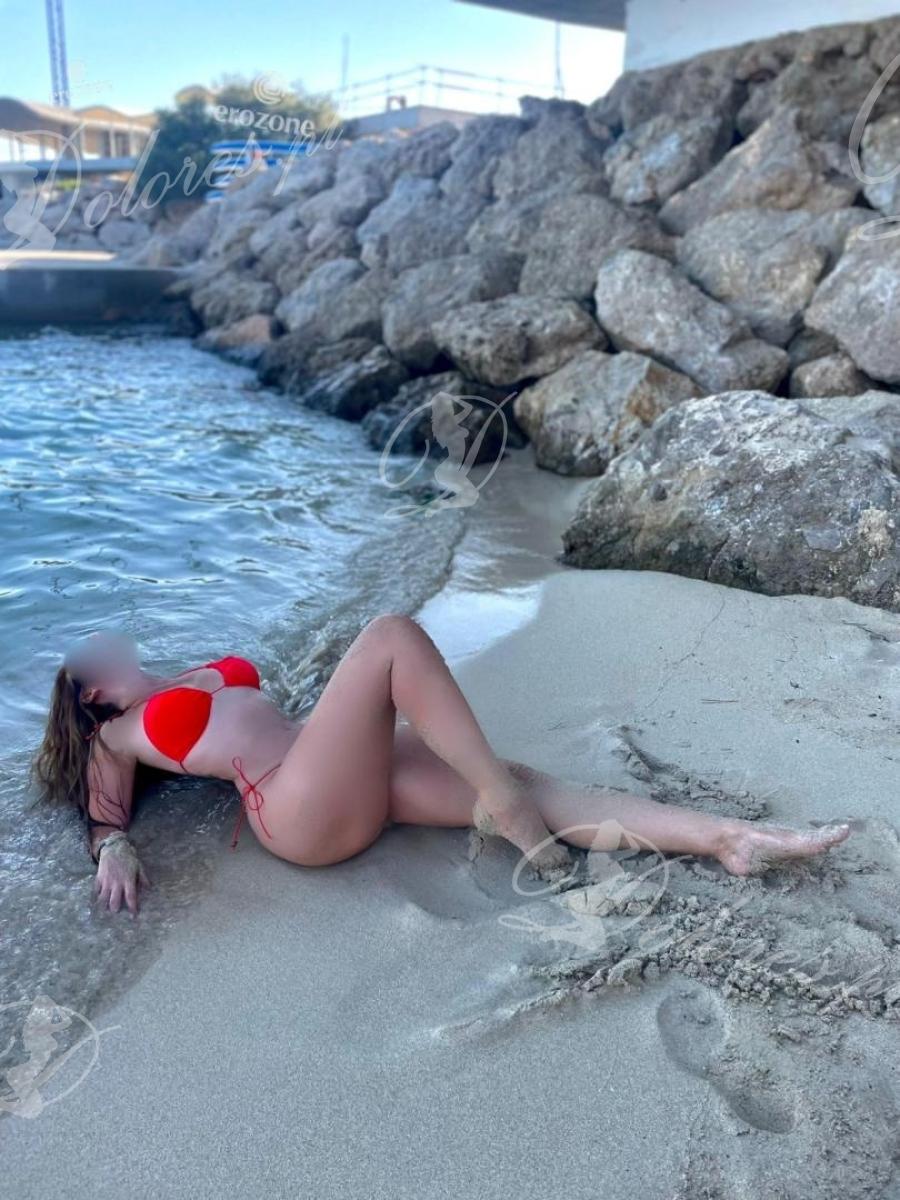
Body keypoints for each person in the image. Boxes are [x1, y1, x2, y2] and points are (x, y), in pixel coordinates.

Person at [30, 620, 851, 918]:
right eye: (95, 654)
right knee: (389, 637)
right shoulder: (117, 733)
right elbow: (104, 815)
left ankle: (726, 839)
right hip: (296, 808)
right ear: (90, 690)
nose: (111, 644)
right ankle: (508, 811)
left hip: (340, 765)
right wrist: (114, 849)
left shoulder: (179, 679)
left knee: (522, 780)